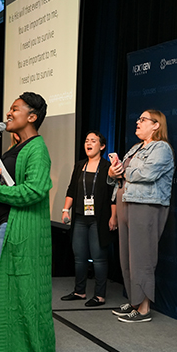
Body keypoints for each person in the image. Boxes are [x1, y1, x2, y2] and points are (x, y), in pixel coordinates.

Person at [0, 92, 56, 352]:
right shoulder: (17, 147)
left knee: (19, 288)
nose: (8, 114)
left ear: (32, 116)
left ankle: (23, 347)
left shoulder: (37, 149)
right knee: (7, 287)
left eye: (15, 109)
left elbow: (34, 190)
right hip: (7, 225)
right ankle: (14, 343)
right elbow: (5, 183)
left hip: (21, 229)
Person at [108, 109, 174, 323]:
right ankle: (135, 300)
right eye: (138, 119)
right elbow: (120, 176)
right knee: (127, 257)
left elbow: (147, 174)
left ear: (156, 125)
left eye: (143, 119)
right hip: (126, 201)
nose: (137, 122)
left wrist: (122, 171)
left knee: (142, 257)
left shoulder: (161, 148)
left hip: (146, 205)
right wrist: (112, 173)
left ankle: (144, 309)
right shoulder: (136, 148)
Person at [60, 131, 117, 306]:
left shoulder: (108, 167)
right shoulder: (79, 166)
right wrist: (65, 209)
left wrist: (113, 217)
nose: (88, 143)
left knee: (99, 258)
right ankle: (79, 291)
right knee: (79, 257)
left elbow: (112, 195)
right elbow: (71, 190)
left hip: (98, 220)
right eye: (86, 141)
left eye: (93, 141)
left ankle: (99, 296)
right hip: (79, 218)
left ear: (102, 146)